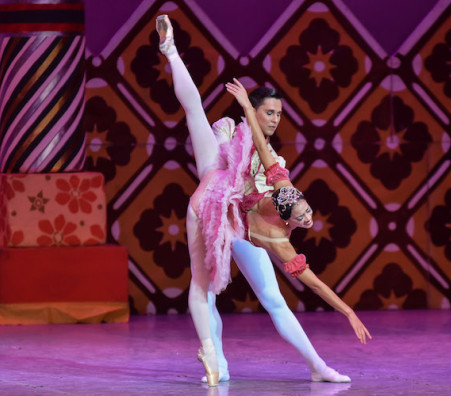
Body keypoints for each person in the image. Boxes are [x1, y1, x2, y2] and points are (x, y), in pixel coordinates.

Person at [156, 15, 370, 386]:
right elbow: (249, 136)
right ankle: (171, 51)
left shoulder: (278, 187)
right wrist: (244, 110)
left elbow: (314, 282)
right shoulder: (254, 150)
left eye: (279, 115)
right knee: (204, 286)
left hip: (245, 223)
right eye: (269, 113)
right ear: (255, 113)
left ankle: (317, 366)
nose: (275, 119)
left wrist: (348, 310)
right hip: (217, 184)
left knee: (274, 299)